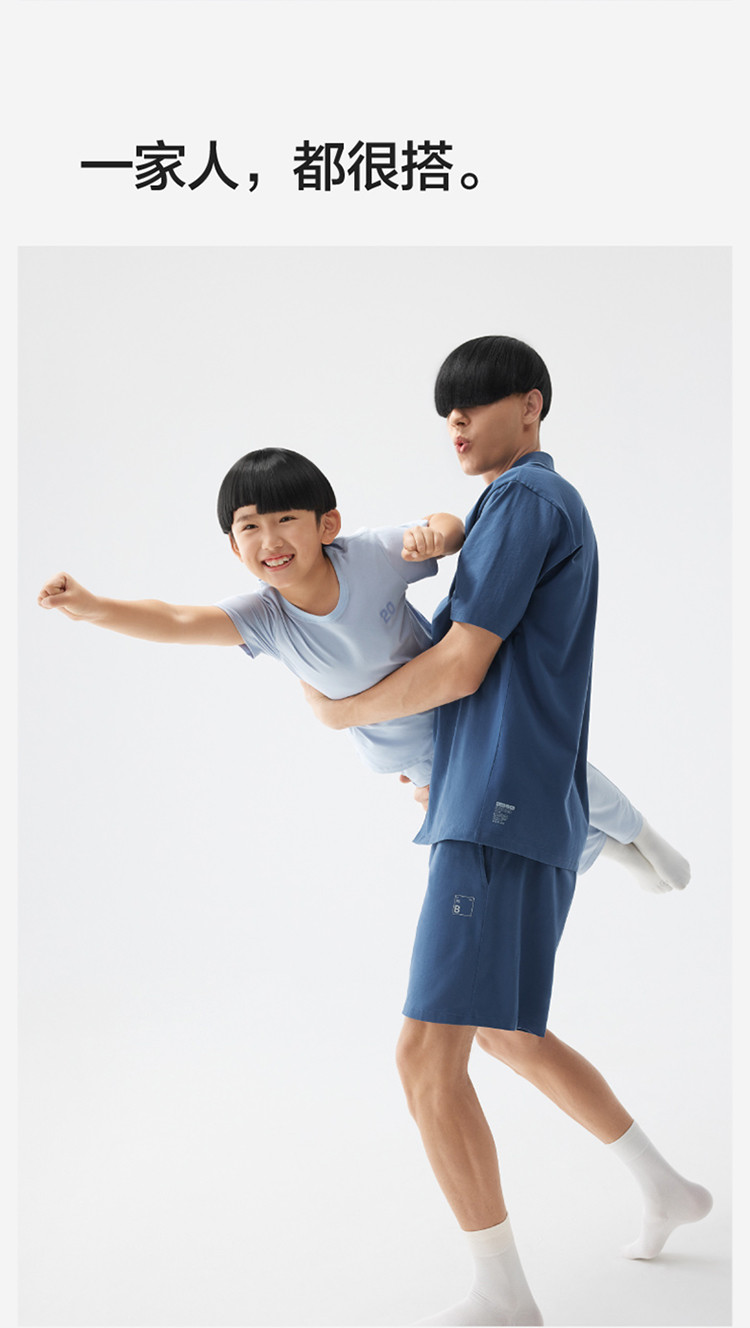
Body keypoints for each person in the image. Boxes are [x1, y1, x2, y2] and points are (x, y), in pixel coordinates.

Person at [300, 337, 712, 1326]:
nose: (457, 423)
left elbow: (461, 665)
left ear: (530, 405)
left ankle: (502, 1295)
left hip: (498, 805)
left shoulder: (527, 499)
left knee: (424, 1059)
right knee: (501, 1029)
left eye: (476, 404)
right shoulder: (510, 506)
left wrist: (342, 711)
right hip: (502, 795)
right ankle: (664, 1186)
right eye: (447, 410)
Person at [37, 446, 688, 897]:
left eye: (286, 519)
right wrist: (92, 607)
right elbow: (176, 619)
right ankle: (610, 851)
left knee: (551, 773)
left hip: (464, 710)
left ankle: (639, 831)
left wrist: (438, 535)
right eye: (250, 527)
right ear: (234, 546)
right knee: (509, 828)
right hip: (414, 757)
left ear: (328, 524)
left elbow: (445, 524)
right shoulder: (265, 619)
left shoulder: (367, 557)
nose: (270, 539)